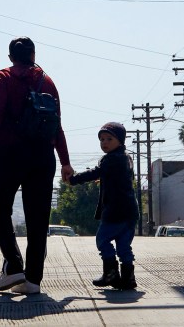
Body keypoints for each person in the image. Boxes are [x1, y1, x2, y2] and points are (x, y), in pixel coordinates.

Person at [0, 37, 73, 295]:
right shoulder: (48, 82)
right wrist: (65, 162)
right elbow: (57, 125)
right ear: (33, 54)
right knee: (38, 217)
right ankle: (32, 280)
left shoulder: (2, 78)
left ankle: (13, 264)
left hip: (9, 152)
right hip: (43, 156)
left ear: (10, 57)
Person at [64, 122, 139, 290]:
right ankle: (128, 278)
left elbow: (95, 173)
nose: (104, 142)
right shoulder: (126, 158)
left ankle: (110, 273)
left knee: (102, 240)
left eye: (109, 139)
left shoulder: (110, 159)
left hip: (115, 212)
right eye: (102, 139)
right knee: (124, 246)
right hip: (130, 212)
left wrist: (73, 180)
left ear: (120, 140)